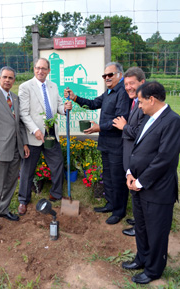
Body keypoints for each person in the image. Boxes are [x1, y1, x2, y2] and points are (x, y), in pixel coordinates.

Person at [122, 81, 180, 284]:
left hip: (156, 190)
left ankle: (154, 269)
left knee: (156, 231)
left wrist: (141, 182)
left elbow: (165, 158)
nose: (138, 105)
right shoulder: (149, 118)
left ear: (152, 99)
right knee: (142, 227)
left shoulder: (172, 121)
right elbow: (137, 148)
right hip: (137, 185)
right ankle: (142, 258)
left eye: (140, 101)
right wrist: (130, 173)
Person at [65, 62, 130, 225]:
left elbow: (120, 119)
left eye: (110, 75)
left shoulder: (122, 93)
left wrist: (99, 127)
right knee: (107, 176)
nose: (107, 78)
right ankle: (110, 203)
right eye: (105, 76)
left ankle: (119, 211)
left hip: (116, 144)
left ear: (120, 75)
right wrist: (75, 98)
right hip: (106, 142)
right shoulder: (109, 92)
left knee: (117, 178)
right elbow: (94, 103)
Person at [17, 58, 72, 215]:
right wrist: (35, 130)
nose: (40, 71)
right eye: (37, 68)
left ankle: (55, 194)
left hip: (50, 134)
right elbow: (23, 113)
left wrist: (65, 108)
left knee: (57, 164)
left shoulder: (53, 86)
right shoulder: (25, 87)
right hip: (33, 135)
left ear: (48, 71)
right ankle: (23, 200)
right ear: (34, 69)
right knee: (28, 170)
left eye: (44, 68)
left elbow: (59, 106)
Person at [0, 66, 30, 231]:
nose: (7, 80)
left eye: (11, 78)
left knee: (10, 183)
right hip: (0, 149)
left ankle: (3, 209)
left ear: (14, 80)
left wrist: (23, 143)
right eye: (5, 77)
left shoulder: (15, 98)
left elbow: (20, 124)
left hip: (16, 149)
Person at [113, 67, 146, 236]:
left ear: (142, 83)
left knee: (138, 194)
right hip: (130, 157)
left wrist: (124, 127)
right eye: (126, 84)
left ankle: (140, 227)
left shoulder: (145, 106)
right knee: (135, 195)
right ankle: (138, 219)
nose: (128, 87)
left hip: (138, 159)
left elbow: (141, 134)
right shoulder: (134, 102)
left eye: (132, 83)